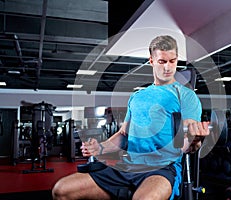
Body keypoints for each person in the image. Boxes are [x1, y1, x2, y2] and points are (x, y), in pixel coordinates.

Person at [52, 35, 210, 200]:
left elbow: (187, 139)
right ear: (152, 61)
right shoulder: (137, 96)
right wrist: (101, 147)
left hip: (161, 169)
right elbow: (124, 136)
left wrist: (195, 141)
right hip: (128, 166)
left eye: (173, 61)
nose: (168, 67)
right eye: (162, 61)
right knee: (61, 190)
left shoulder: (186, 95)